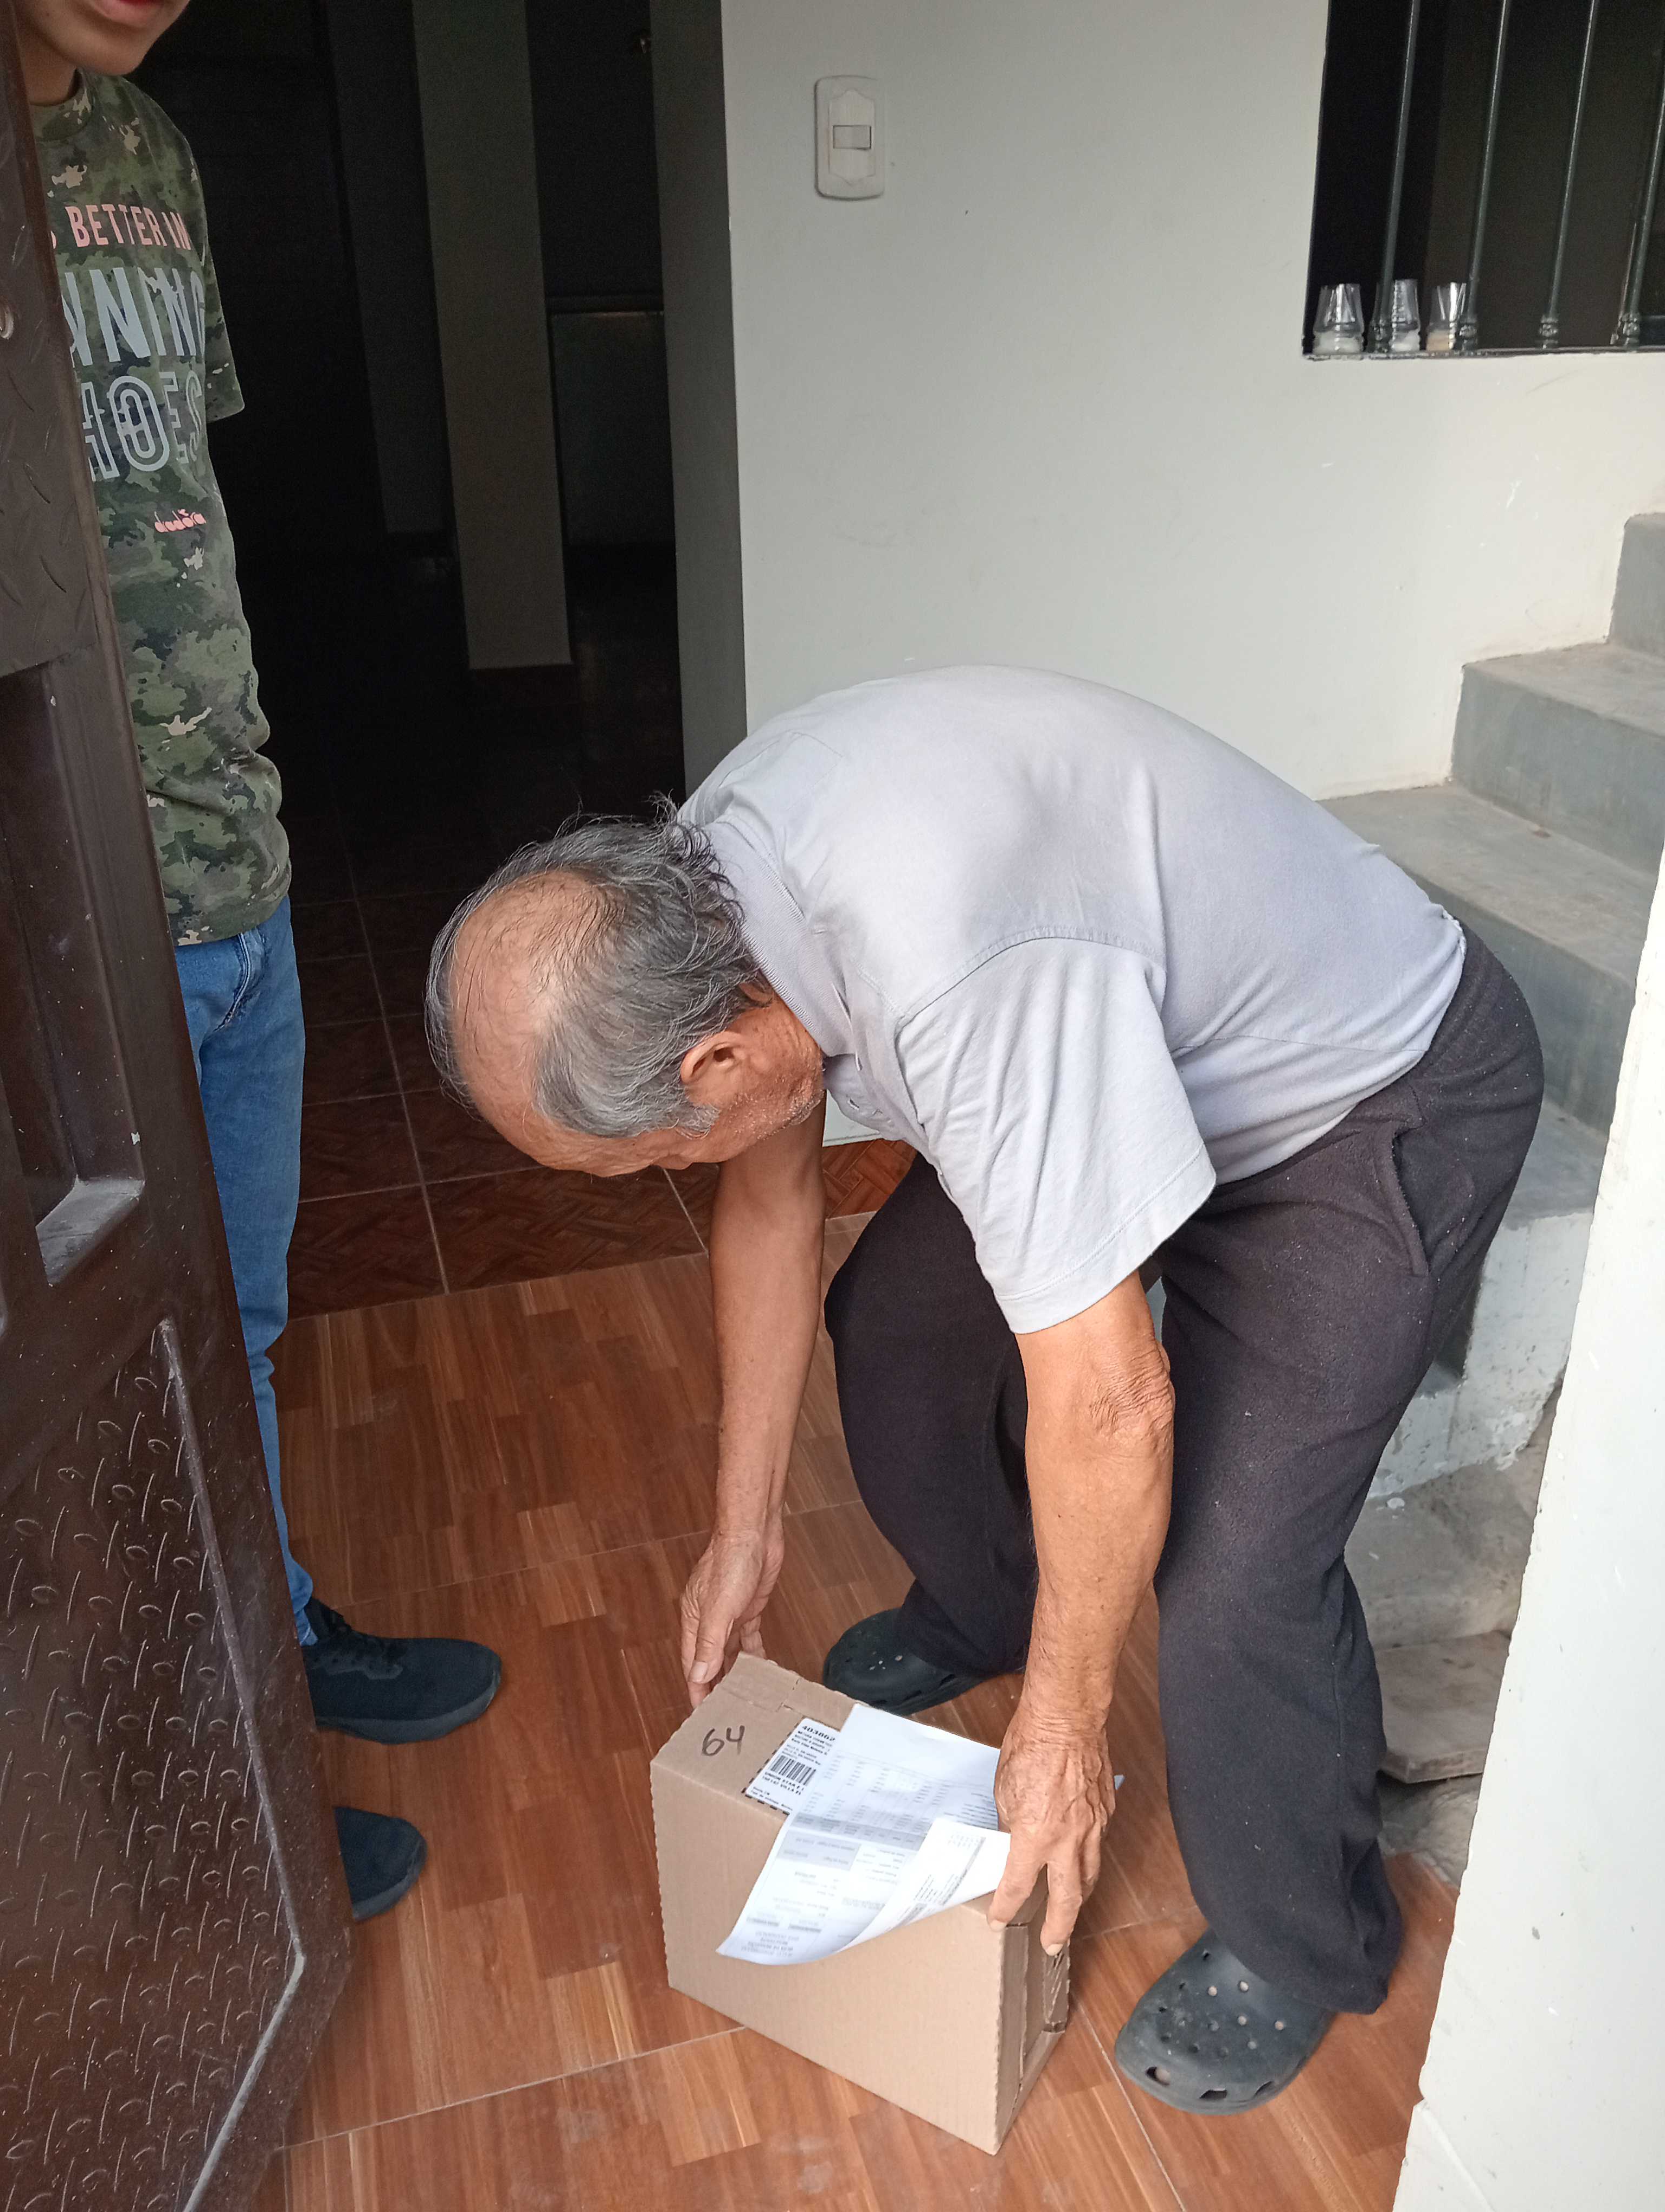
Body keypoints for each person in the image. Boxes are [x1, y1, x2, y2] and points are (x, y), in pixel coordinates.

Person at [426, 664, 1542, 2112]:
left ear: (714, 1060)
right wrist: (744, 1526)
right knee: (898, 1331)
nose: (671, 1178)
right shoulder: (695, 906)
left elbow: (1114, 1404)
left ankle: (1304, 1942)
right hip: (1131, 1055)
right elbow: (767, 1201)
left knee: (1232, 1562)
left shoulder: (951, 972)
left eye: (653, 1161)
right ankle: (989, 1602)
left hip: (1362, 1092)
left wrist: (1064, 1735)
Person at [21, 0, 502, 1921]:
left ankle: (268, 1647)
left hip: (236, 858)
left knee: (236, 1327)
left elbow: (174, 511)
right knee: (94, 1384)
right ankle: (188, 1808)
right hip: (65, 914)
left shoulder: (147, 149)